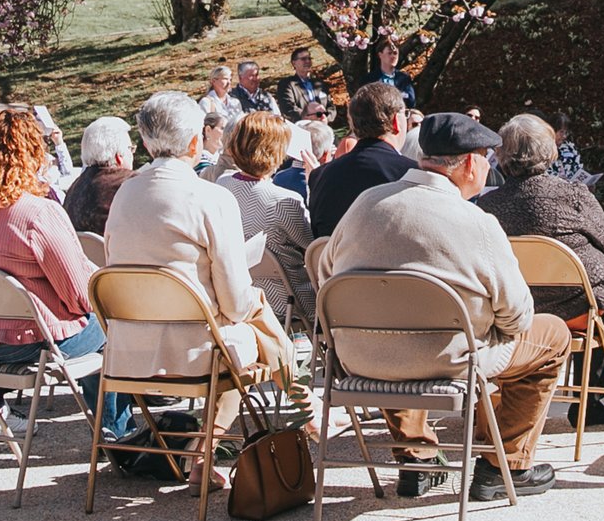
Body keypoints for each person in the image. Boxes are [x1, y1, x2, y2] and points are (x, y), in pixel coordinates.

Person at [310, 112, 572, 500]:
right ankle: (505, 465)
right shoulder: (477, 223)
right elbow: (518, 317)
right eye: (487, 157)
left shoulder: (365, 204)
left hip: (361, 358)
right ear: (469, 163)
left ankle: (417, 456)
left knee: (392, 327)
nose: (490, 166)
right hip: (449, 360)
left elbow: (327, 272)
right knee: (554, 335)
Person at [0, 109, 136, 440]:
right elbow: (80, 298)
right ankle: (117, 433)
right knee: (111, 323)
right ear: (33, 155)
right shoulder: (36, 214)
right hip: (29, 343)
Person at [103, 92, 291, 446]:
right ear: (195, 142)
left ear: (144, 142)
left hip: (128, 347)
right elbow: (235, 306)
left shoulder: (125, 195)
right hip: (194, 351)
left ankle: (211, 447)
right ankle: (208, 449)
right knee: (254, 320)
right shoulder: (211, 198)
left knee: (248, 324)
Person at [477, 113, 604, 428]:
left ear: (502, 156)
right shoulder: (573, 196)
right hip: (585, 311)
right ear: (550, 152)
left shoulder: (488, 207)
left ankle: (592, 404)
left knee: (595, 294)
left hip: (523, 314)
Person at [217, 112, 316, 325]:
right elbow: (315, 247)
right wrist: (316, 183)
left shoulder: (222, 185)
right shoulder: (283, 201)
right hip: (289, 301)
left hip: (242, 294)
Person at [307, 81, 417, 236]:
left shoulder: (319, 176)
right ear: (395, 122)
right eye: (405, 115)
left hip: (334, 259)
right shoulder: (412, 174)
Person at [62, 115, 136, 236]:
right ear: (119, 157)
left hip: (82, 253)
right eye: (131, 149)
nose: (133, 155)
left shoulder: (75, 187)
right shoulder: (131, 183)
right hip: (120, 253)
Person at [362, 34, 418, 109]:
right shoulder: (370, 79)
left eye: (395, 53)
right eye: (389, 53)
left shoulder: (404, 78)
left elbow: (411, 101)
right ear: (380, 55)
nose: (393, 56)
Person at [278, 46, 331, 120]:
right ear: (294, 63)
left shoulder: (319, 84)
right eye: (303, 59)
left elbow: (331, 107)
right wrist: (310, 118)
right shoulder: (287, 85)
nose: (307, 61)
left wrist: (325, 118)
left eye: (309, 58)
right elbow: (288, 108)